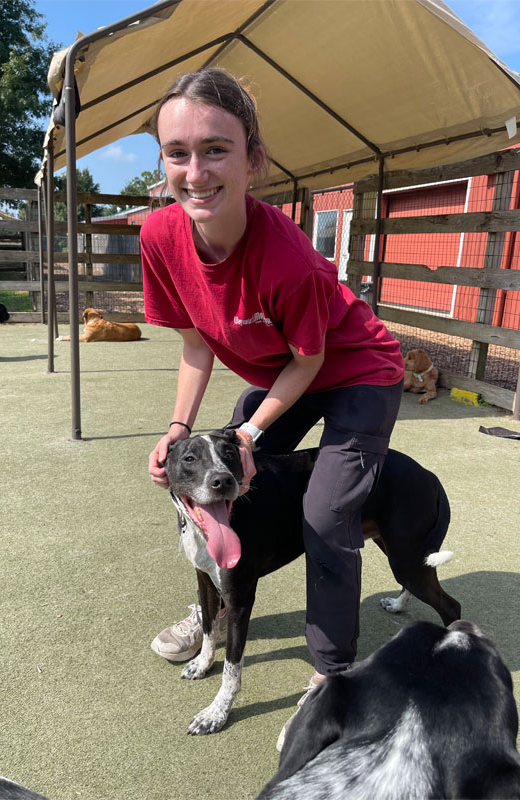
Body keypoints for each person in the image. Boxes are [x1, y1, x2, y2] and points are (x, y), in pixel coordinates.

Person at [142, 68, 405, 749]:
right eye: (177, 152)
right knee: (223, 472)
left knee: (324, 512)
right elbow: (196, 344)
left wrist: (253, 430)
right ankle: (218, 605)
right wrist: (177, 430)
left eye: (216, 149)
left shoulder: (289, 256)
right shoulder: (159, 238)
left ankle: (329, 675)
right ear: (163, 161)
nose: (195, 172)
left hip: (356, 372)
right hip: (287, 368)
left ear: (254, 160)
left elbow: (313, 361)